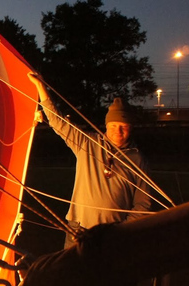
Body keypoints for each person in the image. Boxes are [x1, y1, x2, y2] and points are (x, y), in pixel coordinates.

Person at [27, 72, 153, 247]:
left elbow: (143, 206)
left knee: (105, 275)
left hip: (113, 235)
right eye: (114, 126)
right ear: (107, 125)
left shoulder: (138, 159)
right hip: (78, 229)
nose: (118, 131)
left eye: (123, 126)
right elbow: (57, 122)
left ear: (131, 128)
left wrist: (122, 231)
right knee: (71, 273)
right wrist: (40, 86)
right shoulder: (88, 143)